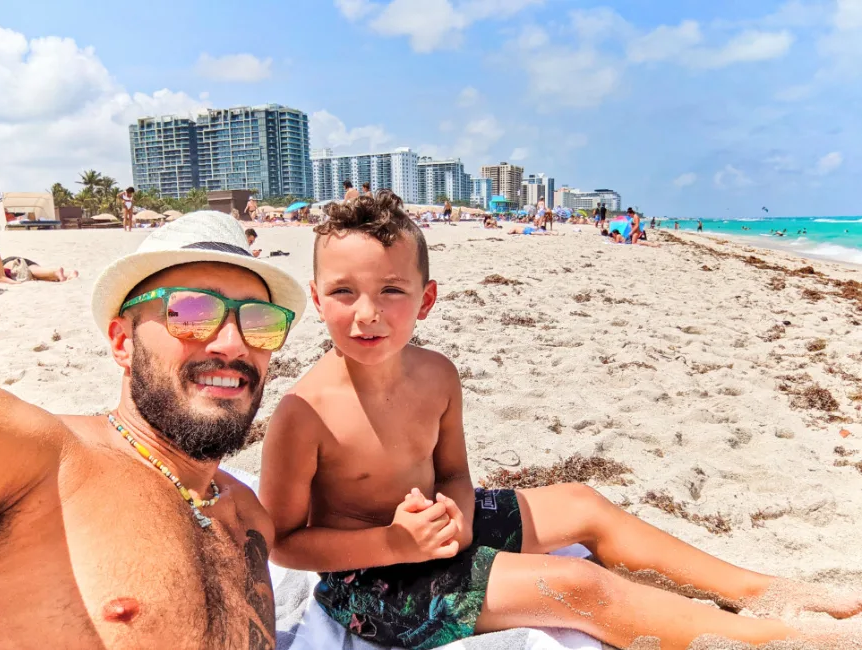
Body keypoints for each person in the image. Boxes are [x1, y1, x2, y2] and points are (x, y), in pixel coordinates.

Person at [258, 190, 860, 650]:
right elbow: (283, 545)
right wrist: (391, 543)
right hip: (371, 579)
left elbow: (456, 474)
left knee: (581, 503)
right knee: (576, 589)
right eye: (343, 292)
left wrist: (460, 518)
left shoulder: (436, 375)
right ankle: (771, 639)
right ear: (316, 298)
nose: (367, 314)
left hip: (440, 531)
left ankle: (762, 591)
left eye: (391, 290)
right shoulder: (304, 414)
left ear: (427, 298)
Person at [0, 211, 307, 647]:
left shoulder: (251, 518)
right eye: (192, 311)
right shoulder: (44, 461)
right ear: (123, 343)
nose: (235, 344)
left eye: (260, 322)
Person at [2, 254, 79, 282]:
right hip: (12, 261)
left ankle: (56, 272)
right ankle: (68, 274)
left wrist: (14, 283)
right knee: (37, 274)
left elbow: (1, 277)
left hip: (12, 263)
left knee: (30, 271)